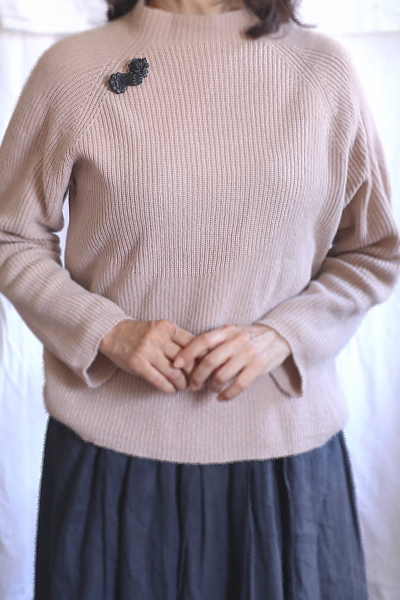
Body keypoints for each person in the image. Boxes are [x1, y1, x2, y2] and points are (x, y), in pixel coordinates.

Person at [0, 0, 399, 597]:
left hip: (282, 461)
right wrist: (106, 331)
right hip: (113, 463)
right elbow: (10, 235)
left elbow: (373, 249)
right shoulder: (75, 70)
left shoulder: (322, 71)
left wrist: (283, 336)